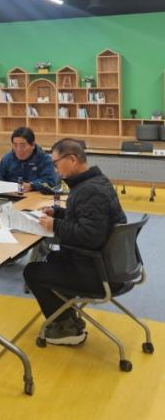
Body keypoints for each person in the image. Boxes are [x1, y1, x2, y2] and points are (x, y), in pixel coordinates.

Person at [23, 138, 127, 346]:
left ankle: (67, 329)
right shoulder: (95, 182)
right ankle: (68, 318)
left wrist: (55, 225)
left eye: (56, 163)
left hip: (100, 273)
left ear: (72, 159)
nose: (55, 169)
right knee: (53, 258)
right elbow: (86, 218)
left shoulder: (89, 190)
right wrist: (59, 213)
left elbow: (90, 235)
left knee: (32, 272)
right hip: (110, 265)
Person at [0, 127, 57, 192]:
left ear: (33, 145)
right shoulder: (7, 158)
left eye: (22, 145)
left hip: (36, 197)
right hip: (12, 195)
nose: (18, 150)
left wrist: (32, 186)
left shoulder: (44, 159)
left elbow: (49, 182)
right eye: (15, 145)